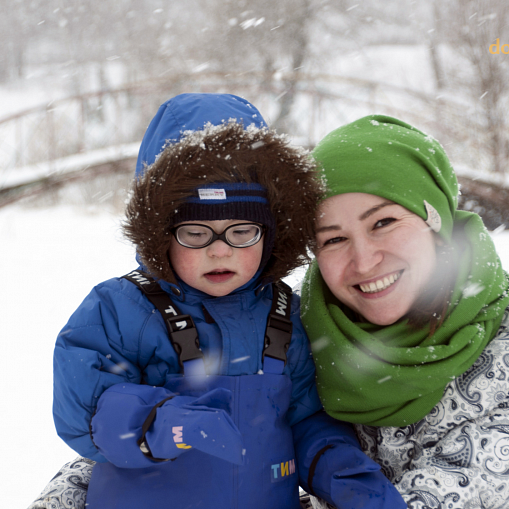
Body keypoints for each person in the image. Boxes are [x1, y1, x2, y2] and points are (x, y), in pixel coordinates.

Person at [31, 94, 405, 509]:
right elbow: (84, 412)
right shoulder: (121, 308)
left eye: (241, 231)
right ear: (160, 232)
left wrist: (341, 471)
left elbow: (304, 420)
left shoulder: (286, 316)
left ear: (272, 231)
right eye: (196, 233)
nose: (220, 251)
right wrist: (159, 422)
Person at [301, 114, 509, 509]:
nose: (363, 262)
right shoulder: (293, 339)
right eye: (334, 239)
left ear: (435, 220)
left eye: (383, 222)